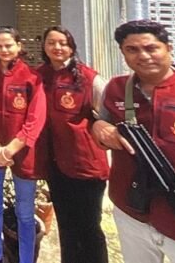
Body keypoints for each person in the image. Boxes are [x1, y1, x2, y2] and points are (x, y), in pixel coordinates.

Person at [92, 20, 175, 262]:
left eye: (151, 48)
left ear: (168, 48)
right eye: (132, 50)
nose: (143, 56)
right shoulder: (116, 88)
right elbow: (101, 123)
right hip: (132, 211)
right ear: (123, 53)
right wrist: (99, 127)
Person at [37, 26, 109, 263]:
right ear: (44, 47)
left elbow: (108, 115)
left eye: (63, 43)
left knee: (89, 227)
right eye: (51, 43)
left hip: (85, 164)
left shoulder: (89, 78)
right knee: (66, 225)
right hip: (55, 164)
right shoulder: (39, 76)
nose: (57, 47)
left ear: (71, 47)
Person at [0, 26, 47, 263]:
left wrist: (10, 149)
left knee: (25, 213)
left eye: (8, 45)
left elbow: (35, 120)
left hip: (23, 153)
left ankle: (26, 259)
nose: (4, 50)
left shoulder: (32, 78)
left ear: (19, 46)